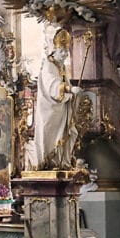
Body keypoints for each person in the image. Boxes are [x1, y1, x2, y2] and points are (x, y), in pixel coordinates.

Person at [30, 27, 81, 170]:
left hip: (61, 110)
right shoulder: (48, 65)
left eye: (67, 51)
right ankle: (50, 163)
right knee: (49, 136)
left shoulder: (62, 67)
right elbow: (52, 85)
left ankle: (62, 162)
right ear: (55, 49)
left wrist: (72, 93)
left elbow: (65, 82)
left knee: (71, 133)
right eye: (62, 51)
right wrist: (70, 89)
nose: (65, 55)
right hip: (49, 111)